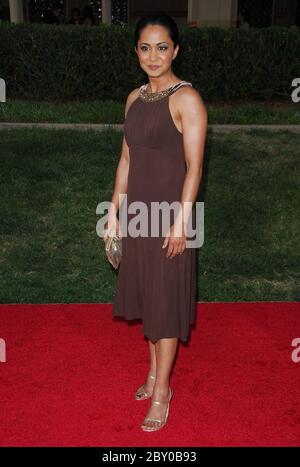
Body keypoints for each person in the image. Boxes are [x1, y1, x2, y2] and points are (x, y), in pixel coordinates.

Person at [103, 11, 207, 432]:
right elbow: (126, 159)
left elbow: (195, 167)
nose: (153, 55)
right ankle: (152, 375)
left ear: (176, 50)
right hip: (137, 214)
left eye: (162, 46)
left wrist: (181, 223)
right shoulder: (133, 99)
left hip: (169, 216)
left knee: (165, 307)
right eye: (145, 47)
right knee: (149, 300)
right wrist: (113, 213)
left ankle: (163, 391)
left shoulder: (187, 100)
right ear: (137, 52)